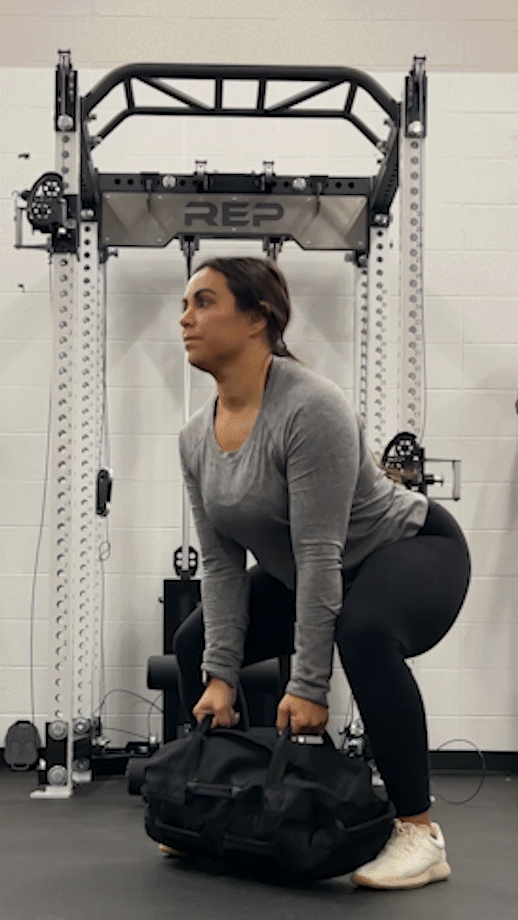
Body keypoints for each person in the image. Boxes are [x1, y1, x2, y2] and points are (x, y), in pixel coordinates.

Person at [171, 256, 471, 890]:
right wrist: (220, 677)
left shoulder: (311, 407)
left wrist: (309, 687)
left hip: (409, 548)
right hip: (316, 570)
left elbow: (318, 555)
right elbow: (222, 568)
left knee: (361, 634)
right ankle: (242, 799)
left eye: (204, 302)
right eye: (186, 304)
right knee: (195, 645)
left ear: (258, 318)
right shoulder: (195, 438)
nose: (185, 318)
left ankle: (419, 832)